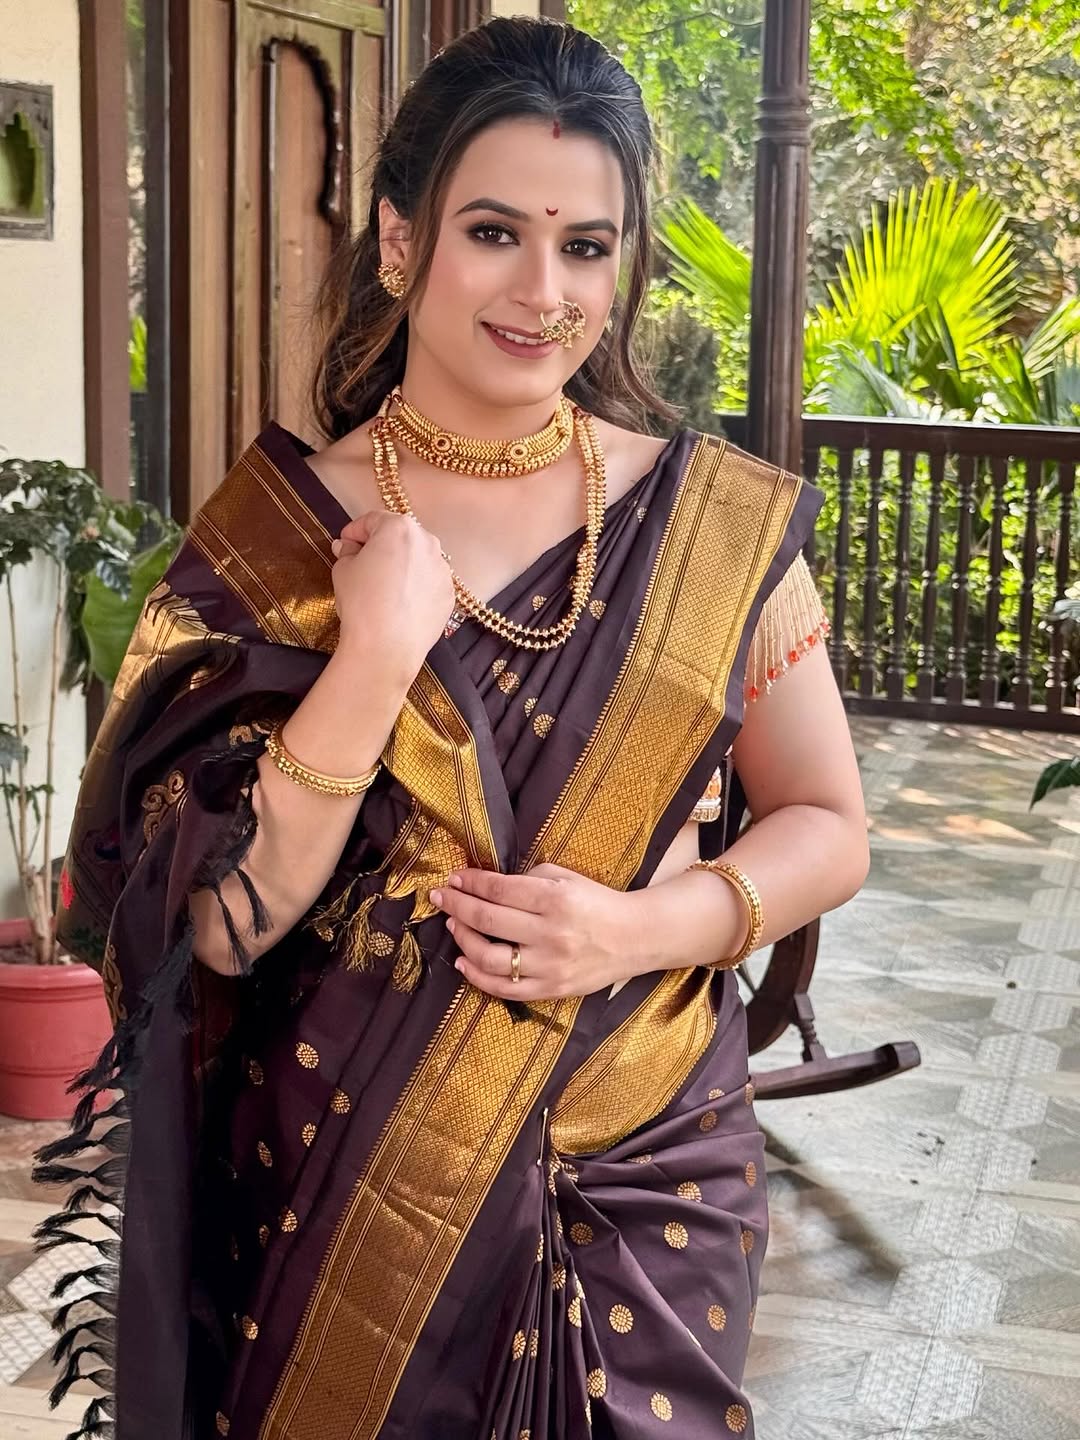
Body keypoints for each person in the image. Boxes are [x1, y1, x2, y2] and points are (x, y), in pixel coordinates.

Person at [39, 17, 868, 1440]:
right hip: (330, 1181)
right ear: (399, 242)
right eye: (494, 231)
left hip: (638, 1177)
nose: (543, 291)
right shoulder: (276, 543)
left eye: (588, 247)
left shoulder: (711, 528)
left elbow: (827, 824)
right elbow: (216, 932)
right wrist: (373, 653)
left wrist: (630, 931)